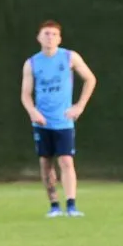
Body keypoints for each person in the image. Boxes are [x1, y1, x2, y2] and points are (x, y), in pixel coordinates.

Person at [20, 20, 97, 217]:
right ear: (39, 37)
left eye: (54, 34)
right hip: (42, 122)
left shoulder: (69, 57)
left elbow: (90, 79)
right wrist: (33, 112)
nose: (50, 37)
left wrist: (79, 106)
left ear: (60, 38)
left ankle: (71, 204)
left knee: (66, 160)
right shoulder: (32, 63)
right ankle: (54, 205)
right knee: (46, 163)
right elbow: (25, 94)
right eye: (46, 34)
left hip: (63, 120)